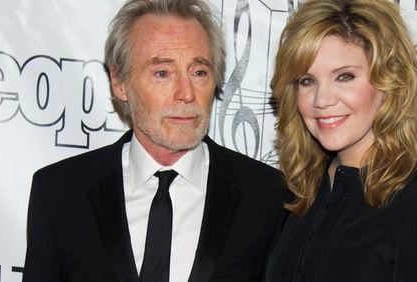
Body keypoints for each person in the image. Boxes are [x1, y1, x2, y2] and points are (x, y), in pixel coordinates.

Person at [22, 0, 286, 281]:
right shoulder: (60, 193)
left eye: (199, 72)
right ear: (120, 82)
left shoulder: (269, 197)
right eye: (163, 73)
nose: (186, 93)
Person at [266, 0, 417, 281]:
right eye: (307, 81)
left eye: (344, 77)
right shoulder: (303, 192)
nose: (322, 100)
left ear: (388, 82)